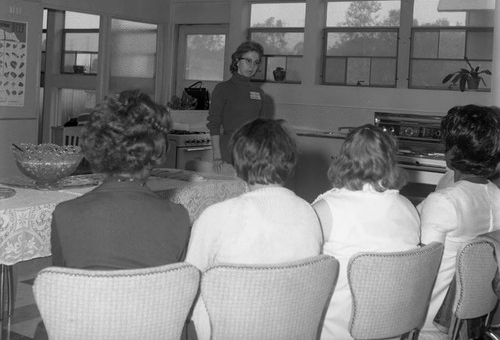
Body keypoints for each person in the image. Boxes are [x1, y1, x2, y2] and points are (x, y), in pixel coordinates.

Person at [185, 118, 323, 340]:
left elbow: (187, 287)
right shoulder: (309, 213)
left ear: (238, 164)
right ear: (289, 161)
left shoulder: (216, 216)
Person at [50, 89, 191, 270]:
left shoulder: (65, 214)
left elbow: (60, 286)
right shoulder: (177, 217)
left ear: (96, 148)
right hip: (152, 298)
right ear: (157, 151)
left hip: (87, 298)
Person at [313, 124, 420, 340]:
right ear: (390, 161)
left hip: (337, 330)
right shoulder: (408, 208)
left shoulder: (326, 209)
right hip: (393, 328)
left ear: (344, 159)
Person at [418, 104, 500, 334]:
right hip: (470, 318)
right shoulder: (496, 196)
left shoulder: (445, 201)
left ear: (454, 150)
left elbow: (420, 265)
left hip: (427, 318)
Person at [207, 40, 265, 173]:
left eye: (256, 63)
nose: (252, 66)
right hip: (228, 153)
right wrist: (217, 157)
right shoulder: (222, 89)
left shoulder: (259, 93)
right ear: (237, 60)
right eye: (248, 61)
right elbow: (214, 125)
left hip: (252, 153)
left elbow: (261, 128)